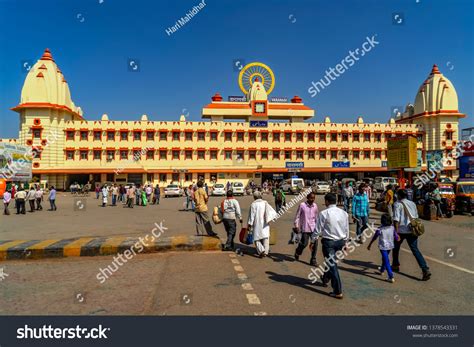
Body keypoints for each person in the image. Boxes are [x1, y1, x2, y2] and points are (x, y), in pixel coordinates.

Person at [311, 193, 349, 299]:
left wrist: (313, 240)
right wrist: (345, 242)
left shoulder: (324, 213)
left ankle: (337, 291)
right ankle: (326, 278)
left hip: (329, 243)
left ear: (327, 201)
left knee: (332, 265)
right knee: (331, 262)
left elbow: (317, 230)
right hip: (340, 242)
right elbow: (346, 230)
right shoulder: (344, 213)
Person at [391, 189, 431, 281]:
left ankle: (395, 265)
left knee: (396, 248)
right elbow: (416, 216)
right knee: (415, 250)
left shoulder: (397, 204)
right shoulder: (412, 203)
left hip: (401, 230)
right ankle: (425, 269)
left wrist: (396, 233)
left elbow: (396, 219)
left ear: (399, 195)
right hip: (412, 230)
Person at [367, 214, 399, 283]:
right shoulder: (392, 227)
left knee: (386, 260)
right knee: (385, 258)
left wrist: (370, 244)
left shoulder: (380, 229)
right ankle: (381, 270)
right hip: (390, 246)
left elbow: (374, 237)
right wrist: (397, 238)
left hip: (383, 247)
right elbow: (396, 236)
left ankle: (391, 276)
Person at [247, 191, 277, 258]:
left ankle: (261, 251)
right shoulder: (265, 203)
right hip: (265, 223)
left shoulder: (253, 205)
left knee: (256, 238)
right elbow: (272, 212)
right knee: (266, 237)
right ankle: (266, 251)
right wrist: (269, 219)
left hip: (257, 223)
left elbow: (252, 216)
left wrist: (250, 224)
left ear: (254, 197)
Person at [293, 192, 319, 266]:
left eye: (313, 198)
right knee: (304, 243)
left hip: (314, 228)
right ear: (307, 198)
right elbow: (297, 216)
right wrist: (296, 226)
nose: (312, 199)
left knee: (315, 245)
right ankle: (298, 251)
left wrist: (318, 228)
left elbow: (316, 217)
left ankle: (313, 260)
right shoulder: (302, 205)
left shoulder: (315, 206)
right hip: (305, 228)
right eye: (311, 198)